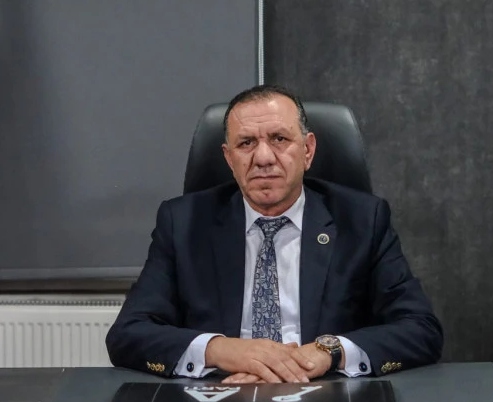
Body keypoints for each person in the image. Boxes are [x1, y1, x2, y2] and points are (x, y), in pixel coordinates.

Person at [106, 85, 443, 382]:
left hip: (326, 393)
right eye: (246, 143)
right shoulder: (183, 223)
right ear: (229, 158)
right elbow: (128, 334)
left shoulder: (362, 220)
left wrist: (329, 351)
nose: (263, 157)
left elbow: (420, 329)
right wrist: (220, 350)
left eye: (279, 139)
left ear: (307, 150)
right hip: (219, 395)